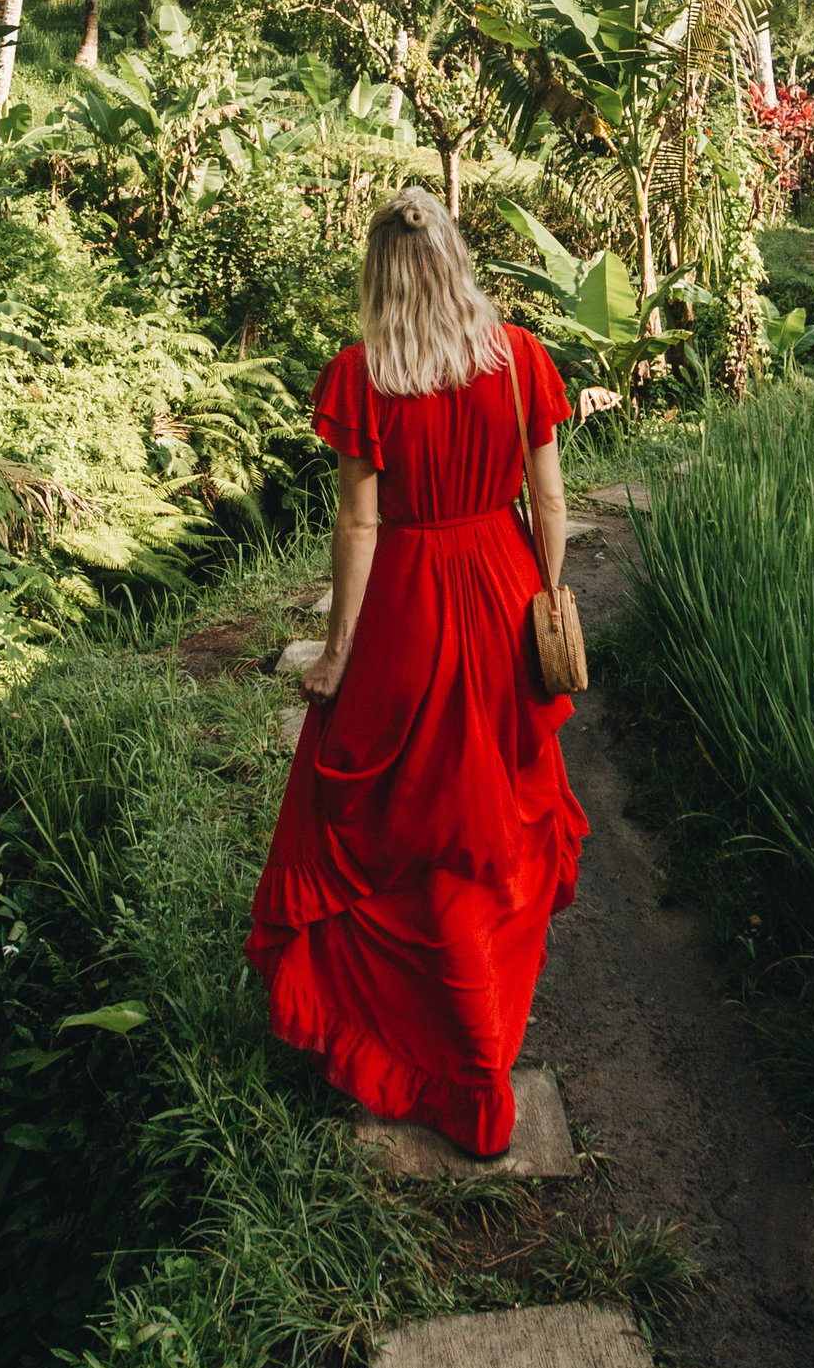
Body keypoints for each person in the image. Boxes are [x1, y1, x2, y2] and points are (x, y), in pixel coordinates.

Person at [245, 187, 584, 1158]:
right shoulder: (520, 359)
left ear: (379, 275)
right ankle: (484, 1043)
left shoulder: (362, 376)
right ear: (455, 260)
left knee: (393, 822)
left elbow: (358, 526)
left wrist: (340, 650)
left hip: (407, 606)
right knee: (494, 826)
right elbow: (550, 501)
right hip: (502, 594)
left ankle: (433, 1047)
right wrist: (543, 601)